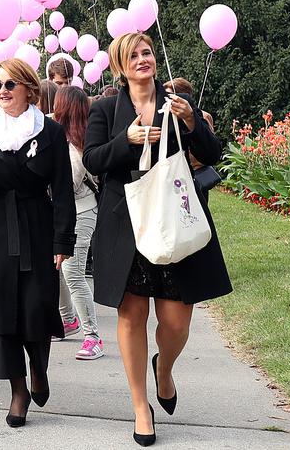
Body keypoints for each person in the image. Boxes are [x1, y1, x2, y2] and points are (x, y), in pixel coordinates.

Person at [84, 31, 230, 445]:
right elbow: (94, 159)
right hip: (126, 222)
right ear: (120, 65)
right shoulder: (107, 109)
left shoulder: (176, 104)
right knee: (131, 316)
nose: (143, 59)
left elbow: (212, 152)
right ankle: (139, 407)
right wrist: (125, 141)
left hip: (174, 218)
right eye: (133, 55)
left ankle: (163, 369)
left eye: (147, 52)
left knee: (176, 321)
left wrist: (192, 122)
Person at [0, 59, 76, 427]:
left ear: (29, 88)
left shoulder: (51, 133)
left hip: (36, 225)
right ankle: (18, 389)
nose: (3, 91)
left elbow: (62, 191)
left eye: (11, 84)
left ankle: (39, 368)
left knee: (35, 309)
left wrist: (63, 241)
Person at [52, 85, 104, 360]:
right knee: (58, 267)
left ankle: (92, 335)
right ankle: (68, 319)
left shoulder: (77, 144)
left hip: (81, 212)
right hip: (62, 214)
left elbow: (68, 184)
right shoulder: (61, 138)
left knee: (73, 273)